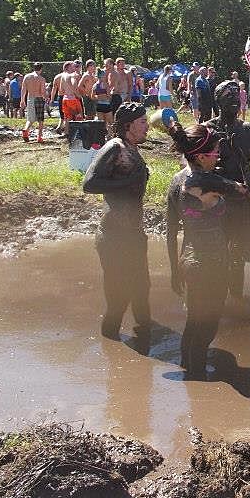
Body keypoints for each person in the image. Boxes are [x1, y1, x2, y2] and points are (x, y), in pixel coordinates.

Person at [165, 121, 248, 377]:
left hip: (189, 260)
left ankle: (188, 372)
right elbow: (247, 191)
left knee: (194, 323)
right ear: (200, 156)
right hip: (210, 264)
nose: (219, 156)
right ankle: (197, 384)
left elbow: (171, 232)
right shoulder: (206, 183)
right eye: (215, 153)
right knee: (207, 329)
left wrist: (174, 270)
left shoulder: (175, 181)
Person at [82, 103, 155, 347]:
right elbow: (89, 184)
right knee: (117, 300)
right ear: (128, 125)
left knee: (142, 290)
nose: (147, 126)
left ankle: (145, 344)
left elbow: (127, 177)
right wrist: (129, 182)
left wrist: (139, 176)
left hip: (134, 234)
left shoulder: (132, 148)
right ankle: (112, 348)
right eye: (143, 122)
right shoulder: (114, 146)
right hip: (113, 236)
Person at [206, 79, 250, 297]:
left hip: (242, 198)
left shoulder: (249, 130)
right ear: (218, 100)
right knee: (214, 250)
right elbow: (194, 164)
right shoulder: (208, 129)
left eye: (237, 97)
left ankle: (236, 298)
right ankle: (215, 298)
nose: (235, 101)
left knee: (237, 254)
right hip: (214, 198)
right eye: (229, 97)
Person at [20, 63, 48, 142]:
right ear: (41, 69)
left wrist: (22, 100)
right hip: (38, 98)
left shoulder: (27, 76)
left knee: (30, 118)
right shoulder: (41, 79)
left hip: (30, 98)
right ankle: (39, 137)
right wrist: (46, 97)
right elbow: (42, 92)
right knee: (40, 119)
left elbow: (23, 89)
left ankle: (25, 130)